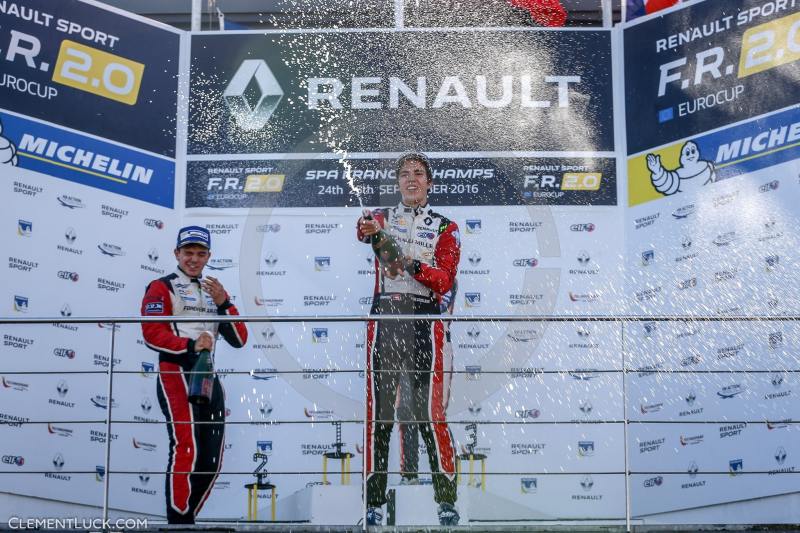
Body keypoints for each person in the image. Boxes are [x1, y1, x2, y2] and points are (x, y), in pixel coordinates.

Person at [357, 152, 461, 526]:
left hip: (424, 320)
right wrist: (370, 231)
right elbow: (364, 232)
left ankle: (446, 502)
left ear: (429, 183)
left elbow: (444, 280)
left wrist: (413, 265)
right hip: (386, 318)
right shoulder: (382, 218)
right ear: (398, 182)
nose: (411, 179)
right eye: (404, 174)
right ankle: (374, 503)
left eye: (418, 173)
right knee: (380, 415)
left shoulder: (447, 227)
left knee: (429, 415)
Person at [140, 225, 248, 524]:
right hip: (175, 371)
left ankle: (186, 520)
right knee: (185, 447)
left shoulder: (215, 290)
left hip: (207, 376)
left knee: (211, 460)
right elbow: (151, 333)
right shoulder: (161, 286)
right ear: (177, 253)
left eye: (201, 254)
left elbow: (240, 339)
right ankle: (179, 523)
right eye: (188, 253)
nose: (194, 259)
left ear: (209, 256)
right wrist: (189, 344)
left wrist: (225, 302)